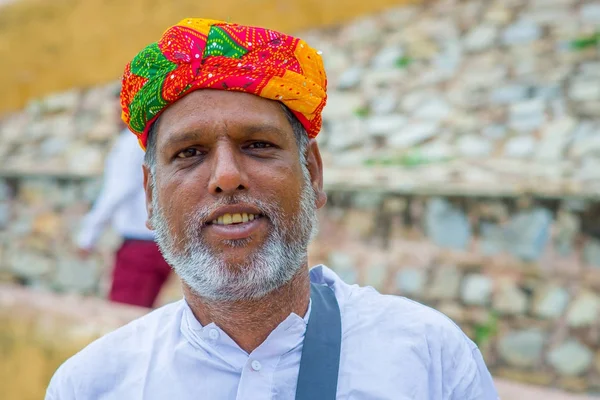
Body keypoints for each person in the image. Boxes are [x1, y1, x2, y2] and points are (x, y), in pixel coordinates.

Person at [47, 18, 499, 399]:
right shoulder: (91, 385)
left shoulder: (430, 359)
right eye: (189, 153)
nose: (226, 176)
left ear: (313, 174)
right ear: (149, 195)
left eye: (258, 145)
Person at [76, 120, 171, 308]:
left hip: (141, 245)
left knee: (124, 318)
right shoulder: (156, 138)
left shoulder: (132, 143)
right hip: (158, 243)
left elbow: (118, 190)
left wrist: (88, 235)